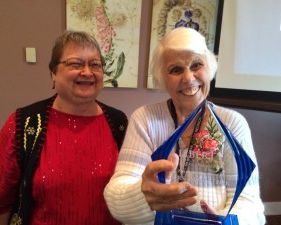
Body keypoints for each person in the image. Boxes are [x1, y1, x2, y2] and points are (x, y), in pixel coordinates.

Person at [104, 27, 265, 225]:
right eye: (176, 69)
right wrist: (144, 197)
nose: (188, 78)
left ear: (210, 68)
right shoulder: (145, 119)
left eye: (196, 65)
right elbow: (116, 200)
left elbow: (249, 202)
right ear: (163, 77)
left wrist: (227, 221)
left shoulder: (232, 123)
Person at [0, 30, 128, 225]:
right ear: (53, 73)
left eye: (95, 64)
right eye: (75, 63)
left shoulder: (119, 123)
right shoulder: (24, 124)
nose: (87, 72)